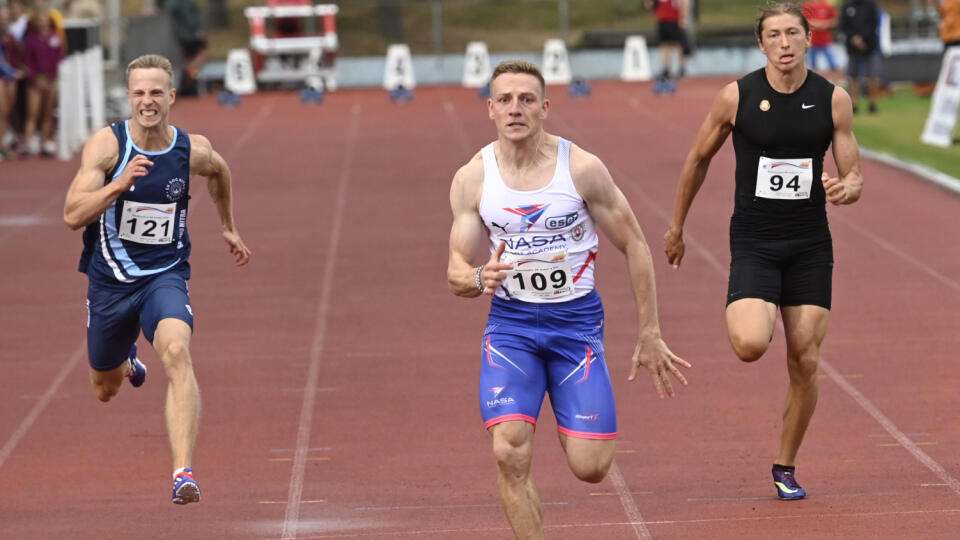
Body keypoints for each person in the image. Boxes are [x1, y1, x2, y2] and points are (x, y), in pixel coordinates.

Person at [447, 60, 690, 538]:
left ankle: (572, 408)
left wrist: (650, 333)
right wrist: (480, 275)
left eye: (527, 99)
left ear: (545, 108)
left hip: (574, 326)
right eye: (506, 100)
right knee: (508, 452)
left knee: (592, 467)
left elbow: (636, 244)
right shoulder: (472, 179)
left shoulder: (580, 169)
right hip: (511, 328)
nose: (516, 109)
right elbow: (455, 271)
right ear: (490, 108)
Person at [663, 2, 863, 500]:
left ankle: (785, 466)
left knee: (806, 359)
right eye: (773, 35)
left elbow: (853, 172)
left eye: (793, 32)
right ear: (762, 44)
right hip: (754, 240)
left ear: (808, 38)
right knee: (751, 345)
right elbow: (697, 159)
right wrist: (676, 227)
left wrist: (848, 187)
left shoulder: (833, 99)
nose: (785, 43)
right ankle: (756, 302)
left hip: (811, 243)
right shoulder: (737, 97)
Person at [63, 54, 251, 504]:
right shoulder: (107, 148)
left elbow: (220, 170)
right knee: (104, 390)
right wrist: (116, 185)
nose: (148, 102)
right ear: (129, 98)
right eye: (139, 93)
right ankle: (127, 359)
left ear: (171, 96)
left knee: (177, 350)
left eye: (156, 93)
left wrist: (227, 224)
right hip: (110, 285)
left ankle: (182, 472)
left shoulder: (190, 150)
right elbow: (72, 215)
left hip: (164, 277)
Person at [21, 8, 63, 157]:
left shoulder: (55, 37)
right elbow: (27, 61)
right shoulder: (31, 39)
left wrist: (51, 79)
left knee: (47, 113)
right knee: (32, 113)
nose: (41, 21)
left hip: (50, 81)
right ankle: (28, 142)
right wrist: (35, 79)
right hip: (35, 82)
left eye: (44, 18)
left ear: (48, 20)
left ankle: (45, 142)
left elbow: (58, 59)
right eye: (38, 19)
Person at [840, 0, 880, 114]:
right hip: (852, 47)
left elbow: (874, 24)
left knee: (872, 75)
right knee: (853, 76)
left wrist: (863, 38)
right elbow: (844, 25)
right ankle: (854, 104)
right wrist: (854, 39)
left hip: (869, 46)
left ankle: (872, 104)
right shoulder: (847, 6)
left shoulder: (871, 5)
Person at [165, 0, 208, 96]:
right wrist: (197, 29)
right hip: (189, 35)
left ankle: (188, 79)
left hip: (181, 36)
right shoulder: (182, 3)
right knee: (202, 52)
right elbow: (188, 17)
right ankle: (189, 77)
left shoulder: (174, 3)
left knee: (188, 59)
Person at [648, 0, 690, 83]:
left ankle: (681, 68)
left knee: (679, 44)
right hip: (662, 20)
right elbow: (650, 5)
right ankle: (666, 69)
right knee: (664, 45)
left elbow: (684, 2)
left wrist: (683, 18)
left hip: (674, 20)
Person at [803, 0, 838, 72]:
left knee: (833, 65)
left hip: (825, 40)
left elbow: (834, 21)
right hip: (812, 40)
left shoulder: (828, 6)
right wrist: (816, 24)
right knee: (812, 66)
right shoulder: (807, 5)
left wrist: (824, 24)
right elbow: (804, 20)